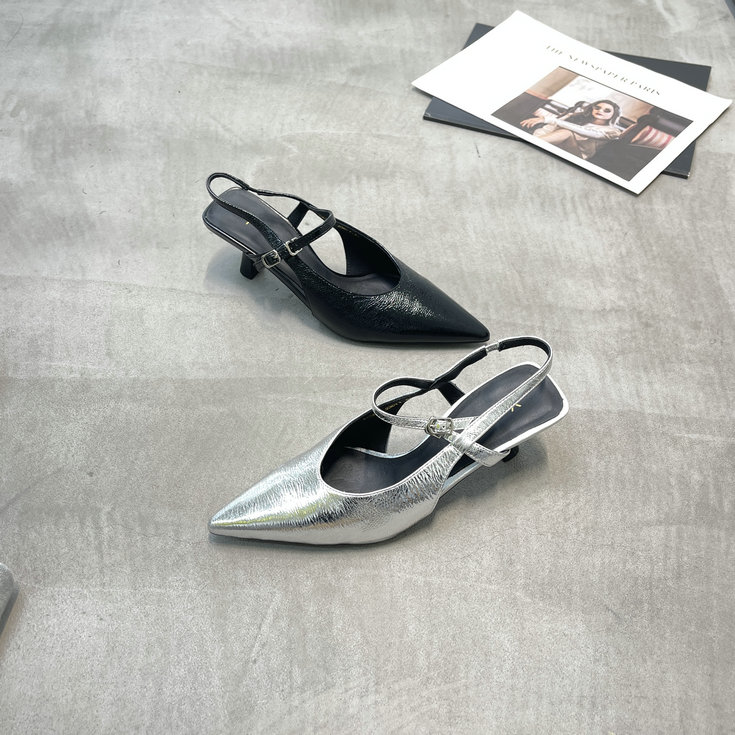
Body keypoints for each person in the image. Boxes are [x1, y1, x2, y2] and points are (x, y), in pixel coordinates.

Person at [520, 99, 624, 160]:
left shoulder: (613, 131)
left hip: (577, 155)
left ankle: (526, 144)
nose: (600, 111)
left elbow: (587, 132)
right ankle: (530, 143)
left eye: (607, 110)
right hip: (555, 144)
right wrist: (537, 137)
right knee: (563, 130)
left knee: (567, 132)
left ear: (613, 115)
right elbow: (549, 129)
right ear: (592, 108)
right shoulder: (575, 116)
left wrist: (547, 119)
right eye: (597, 107)